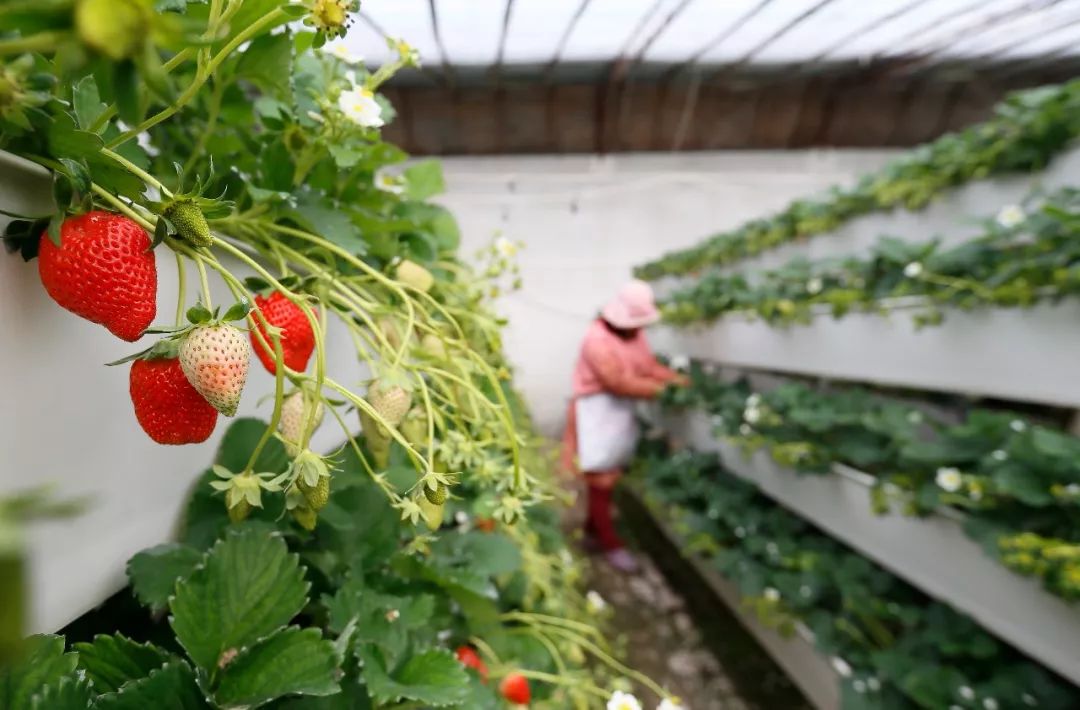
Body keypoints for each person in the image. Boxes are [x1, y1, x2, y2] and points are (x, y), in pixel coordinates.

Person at [561, 280, 685, 572]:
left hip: (617, 413)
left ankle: (593, 534)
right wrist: (663, 390)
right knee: (600, 478)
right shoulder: (597, 339)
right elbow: (617, 382)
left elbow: (648, 367)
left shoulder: (635, 335)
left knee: (607, 476)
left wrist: (677, 381)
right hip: (596, 412)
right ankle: (610, 543)